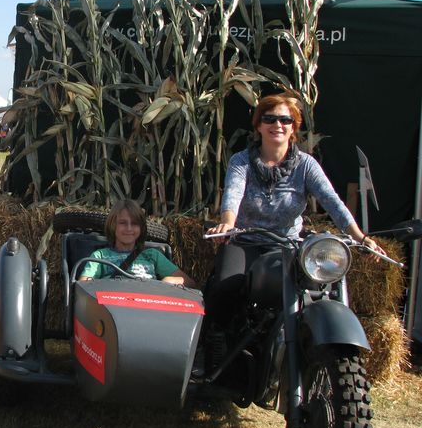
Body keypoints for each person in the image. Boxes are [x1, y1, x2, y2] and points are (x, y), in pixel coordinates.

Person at [205, 92, 385, 322]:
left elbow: (332, 201)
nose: (277, 125)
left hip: (287, 246)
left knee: (310, 285)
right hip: (245, 241)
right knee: (225, 284)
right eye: (269, 119)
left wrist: (361, 238)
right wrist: (227, 224)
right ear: (258, 126)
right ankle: (219, 337)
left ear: (293, 128)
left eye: (285, 120)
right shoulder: (241, 161)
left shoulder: (306, 165)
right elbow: (233, 193)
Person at [78, 199, 196, 286]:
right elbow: (83, 286)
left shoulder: (152, 255)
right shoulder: (100, 256)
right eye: (123, 223)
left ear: (141, 228)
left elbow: (189, 283)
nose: (129, 228)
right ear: (112, 226)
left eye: (134, 223)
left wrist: (168, 281)